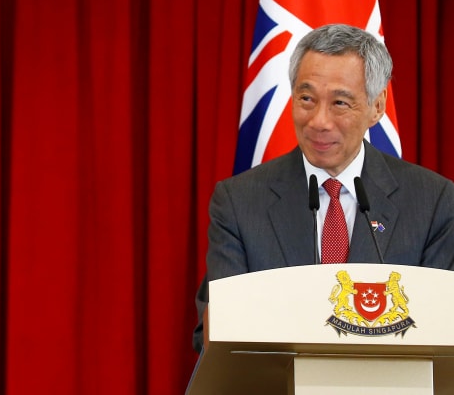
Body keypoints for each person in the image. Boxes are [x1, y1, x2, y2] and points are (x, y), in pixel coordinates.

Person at [192, 23, 454, 352]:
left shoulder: (432, 202)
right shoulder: (239, 203)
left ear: (377, 106)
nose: (319, 121)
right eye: (306, 99)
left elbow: (440, 334)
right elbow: (217, 336)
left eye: (340, 103)